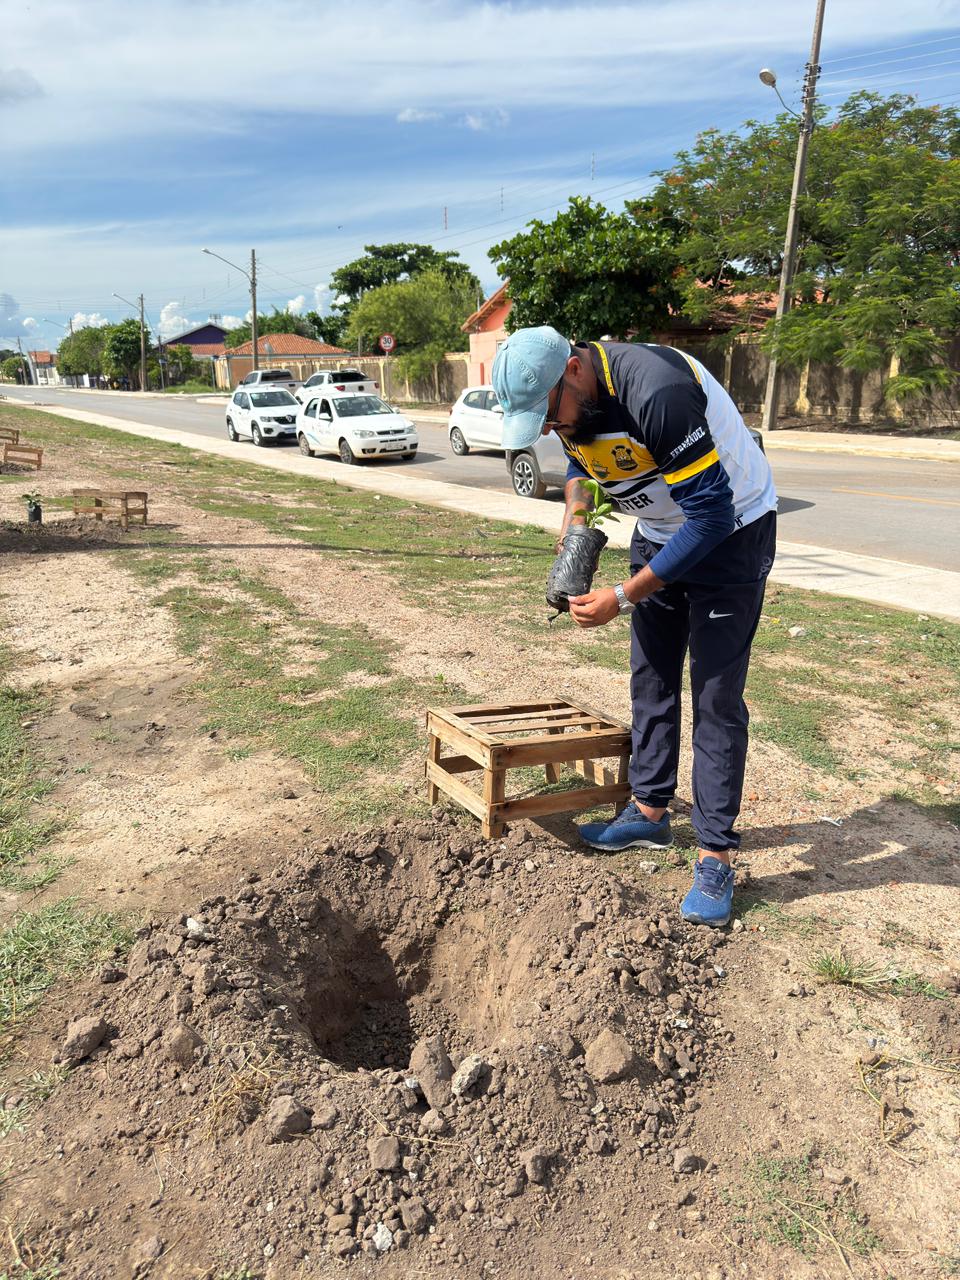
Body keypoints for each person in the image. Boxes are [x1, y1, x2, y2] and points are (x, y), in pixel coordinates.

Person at [491, 327, 777, 927]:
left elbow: (711, 516)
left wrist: (623, 596)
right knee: (651, 680)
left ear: (573, 370)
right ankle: (649, 813)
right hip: (661, 534)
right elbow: (579, 461)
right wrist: (576, 521)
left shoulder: (657, 392)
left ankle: (716, 853)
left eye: (546, 412)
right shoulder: (576, 407)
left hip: (731, 533)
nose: (548, 428)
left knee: (716, 697)